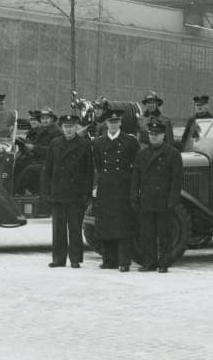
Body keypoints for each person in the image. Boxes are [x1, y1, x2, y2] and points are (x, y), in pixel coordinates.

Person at [131, 117, 184, 273]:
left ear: (163, 136)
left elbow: (177, 181)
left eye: (157, 134)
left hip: (163, 201)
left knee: (164, 234)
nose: (154, 136)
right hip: (146, 200)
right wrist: (134, 197)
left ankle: (163, 263)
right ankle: (149, 262)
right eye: (151, 134)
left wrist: (172, 200)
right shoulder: (142, 154)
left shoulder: (172, 154)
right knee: (147, 234)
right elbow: (136, 178)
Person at [41, 113, 94, 268]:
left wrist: (86, 193)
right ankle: (58, 259)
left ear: (75, 128)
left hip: (75, 193)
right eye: (66, 127)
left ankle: (76, 259)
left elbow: (88, 172)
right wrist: (46, 191)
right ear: (62, 128)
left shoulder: (84, 144)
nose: (69, 130)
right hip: (57, 192)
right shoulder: (55, 144)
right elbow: (48, 169)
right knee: (58, 228)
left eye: (71, 127)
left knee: (75, 227)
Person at [91, 109, 140, 271]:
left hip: (123, 187)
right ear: (106, 124)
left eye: (116, 122)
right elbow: (98, 165)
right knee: (106, 224)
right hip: (106, 187)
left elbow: (136, 165)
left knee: (123, 224)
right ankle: (108, 260)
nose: (113, 125)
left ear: (120, 123)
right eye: (110, 122)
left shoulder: (129, 142)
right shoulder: (98, 143)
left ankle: (124, 261)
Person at [16, 108, 62, 194]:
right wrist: (25, 144)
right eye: (43, 119)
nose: (44, 121)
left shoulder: (56, 132)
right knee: (17, 163)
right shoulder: (42, 130)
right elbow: (36, 143)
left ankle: (16, 192)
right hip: (40, 159)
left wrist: (34, 148)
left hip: (50, 163)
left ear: (52, 119)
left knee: (29, 170)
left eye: (47, 118)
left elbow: (52, 150)